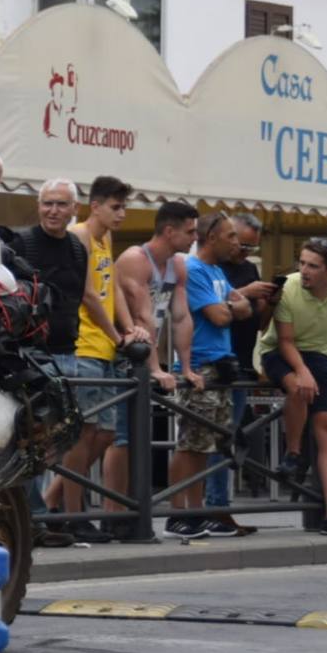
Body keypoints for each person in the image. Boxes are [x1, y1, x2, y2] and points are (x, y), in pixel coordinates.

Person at [43, 176, 148, 542]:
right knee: (84, 434)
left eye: (123, 207)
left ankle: (52, 500)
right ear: (95, 206)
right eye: (115, 207)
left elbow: (113, 286)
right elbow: (88, 294)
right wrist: (117, 335)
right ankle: (74, 515)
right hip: (84, 346)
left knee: (103, 434)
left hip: (103, 348)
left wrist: (129, 326)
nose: (121, 214)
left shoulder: (105, 237)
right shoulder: (81, 235)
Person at [256, 237, 327, 537]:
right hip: (279, 350)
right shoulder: (289, 288)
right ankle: (293, 453)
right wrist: (302, 371)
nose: (304, 271)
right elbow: (286, 341)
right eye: (301, 263)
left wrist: (316, 356)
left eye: (313, 266)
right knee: (298, 387)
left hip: (321, 352)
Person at [111, 200, 202, 539]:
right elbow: (141, 316)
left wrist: (186, 368)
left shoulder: (178, 264)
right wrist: (153, 368)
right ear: (169, 230)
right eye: (190, 231)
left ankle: (121, 514)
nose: (195, 237)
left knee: (128, 438)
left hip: (145, 357)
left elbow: (180, 317)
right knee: (118, 438)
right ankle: (114, 515)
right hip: (121, 355)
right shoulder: (137, 259)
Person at [8, 177, 88, 549]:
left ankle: (39, 514)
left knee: (57, 441)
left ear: (75, 209)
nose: (53, 210)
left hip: (67, 354)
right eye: (47, 204)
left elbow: (75, 298)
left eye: (61, 204)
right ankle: (32, 518)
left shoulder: (76, 247)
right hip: (32, 357)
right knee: (30, 439)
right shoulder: (21, 242)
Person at [164, 212, 252, 540]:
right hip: (199, 365)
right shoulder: (196, 269)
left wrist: (236, 308)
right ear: (211, 237)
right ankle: (177, 514)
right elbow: (220, 315)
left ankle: (196, 511)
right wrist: (234, 308)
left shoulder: (216, 271)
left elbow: (243, 308)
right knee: (189, 443)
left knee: (205, 446)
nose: (236, 242)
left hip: (219, 366)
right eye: (230, 235)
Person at [207, 212, 275, 532]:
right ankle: (211, 508)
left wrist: (268, 303)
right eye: (238, 241)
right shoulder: (211, 267)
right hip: (217, 363)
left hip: (243, 361)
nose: (242, 250)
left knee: (230, 436)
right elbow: (216, 312)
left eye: (250, 247)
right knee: (215, 437)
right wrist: (245, 294)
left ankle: (216, 507)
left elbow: (257, 323)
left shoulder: (248, 268)